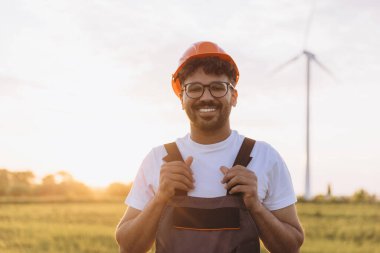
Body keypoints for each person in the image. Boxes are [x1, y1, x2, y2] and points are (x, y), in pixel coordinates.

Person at [115, 41, 304, 253]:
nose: (206, 97)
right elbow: (127, 246)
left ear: (233, 96)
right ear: (181, 98)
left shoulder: (264, 157)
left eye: (217, 87)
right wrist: (160, 198)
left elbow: (291, 247)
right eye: (194, 89)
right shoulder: (157, 159)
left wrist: (256, 206)